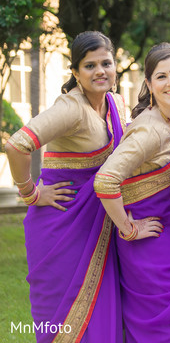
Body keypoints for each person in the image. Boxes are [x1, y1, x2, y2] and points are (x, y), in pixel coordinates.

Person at [5, 31, 125, 342]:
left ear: (116, 66)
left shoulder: (114, 103)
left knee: (100, 312)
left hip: (98, 224)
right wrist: (31, 192)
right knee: (63, 318)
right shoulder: (71, 108)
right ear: (75, 72)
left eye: (106, 63)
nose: (100, 71)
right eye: (89, 66)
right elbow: (17, 146)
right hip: (62, 223)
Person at [93, 43, 170, 341]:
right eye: (161, 77)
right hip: (151, 252)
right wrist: (128, 229)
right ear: (149, 84)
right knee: (165, 331)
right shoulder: (150, 129)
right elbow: (105, 181)